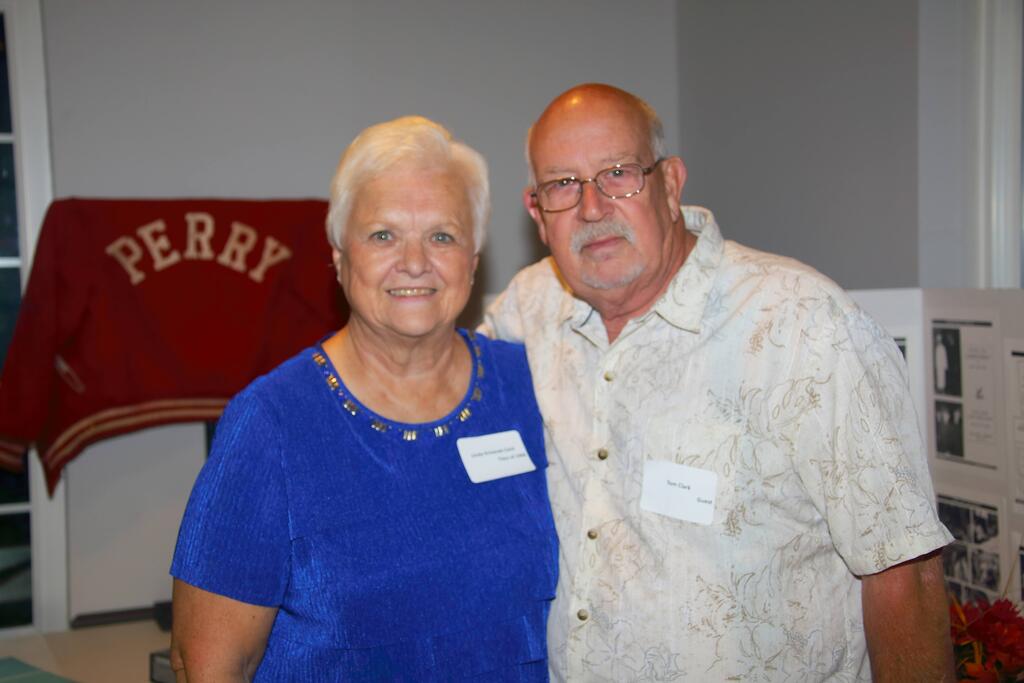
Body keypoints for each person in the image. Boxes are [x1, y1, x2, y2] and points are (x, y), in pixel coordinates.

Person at [482, 83, 955, 681]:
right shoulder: (528, 309)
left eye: (619, 174)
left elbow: (904, 570)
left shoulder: (805, 325)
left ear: (670, 184)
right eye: (562, 185)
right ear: (536, 213)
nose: (592, 207)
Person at [170, 116, 558, 681]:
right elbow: (207, 665)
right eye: (383, 235)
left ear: (473, 262)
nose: (415, 262)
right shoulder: (271, 423)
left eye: (442, 236)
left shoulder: (527, 386)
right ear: (338, 257)